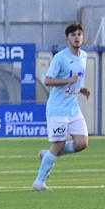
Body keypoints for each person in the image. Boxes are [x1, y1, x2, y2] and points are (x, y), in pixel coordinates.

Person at [33, 22, 91, 191]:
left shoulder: (84, 56)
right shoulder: (60, 58)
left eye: (79, 34)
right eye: (73, 35)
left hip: (73, 107)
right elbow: (48, 80)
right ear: (67, 39)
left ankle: (49, 154)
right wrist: (68, 81)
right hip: (58, 108)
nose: (76, 37)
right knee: (58, 144)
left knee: (82, 143)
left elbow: (76, 79)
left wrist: (80, 89)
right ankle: (39, 182)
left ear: (83, 37)